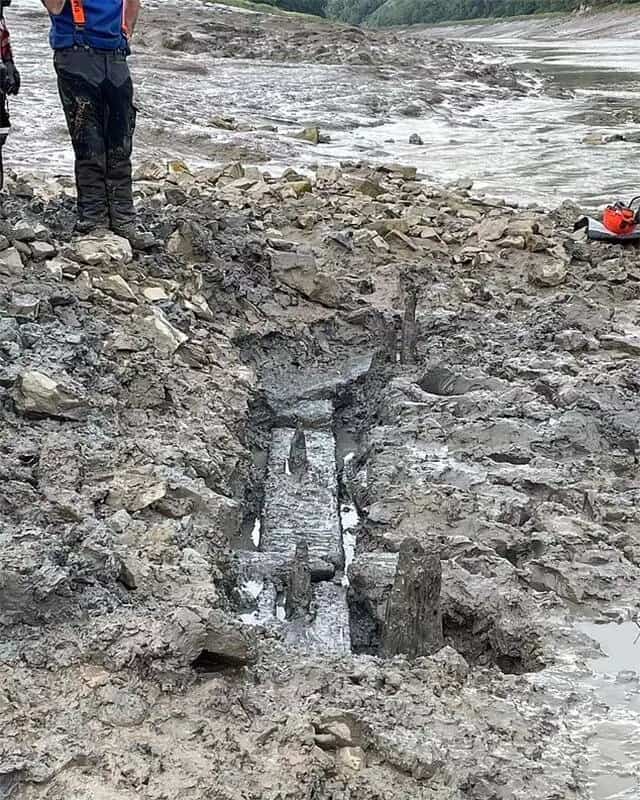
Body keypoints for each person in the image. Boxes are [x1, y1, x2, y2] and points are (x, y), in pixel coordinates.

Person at [41, 0, 153, 248]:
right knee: (88, 144)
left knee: (120, 145)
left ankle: (124, 220)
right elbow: (56, 7)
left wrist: (126, 33)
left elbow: (133, 3)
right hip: (75, 53)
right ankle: (93, 222)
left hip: (115, 56)